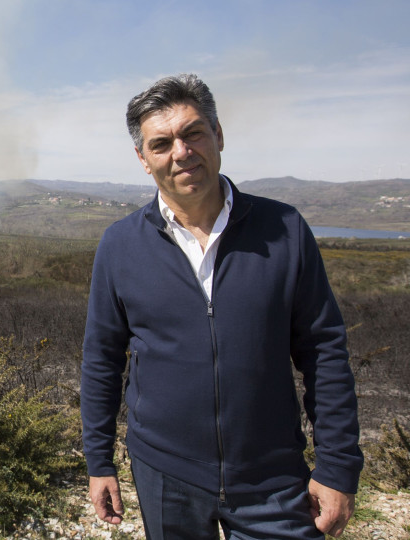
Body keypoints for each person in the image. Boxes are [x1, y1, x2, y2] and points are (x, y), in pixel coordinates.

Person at [80, 73, 363, 539]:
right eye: (162, 143)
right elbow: (102, 359)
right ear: (143, 160)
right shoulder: (119, 245)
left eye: (193, 133)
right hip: (164, 472)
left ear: (219, 135)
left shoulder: (284, 228)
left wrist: (336, 465)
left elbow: (324, 351)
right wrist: (98, 460)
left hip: (272, 477)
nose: (181, 152)